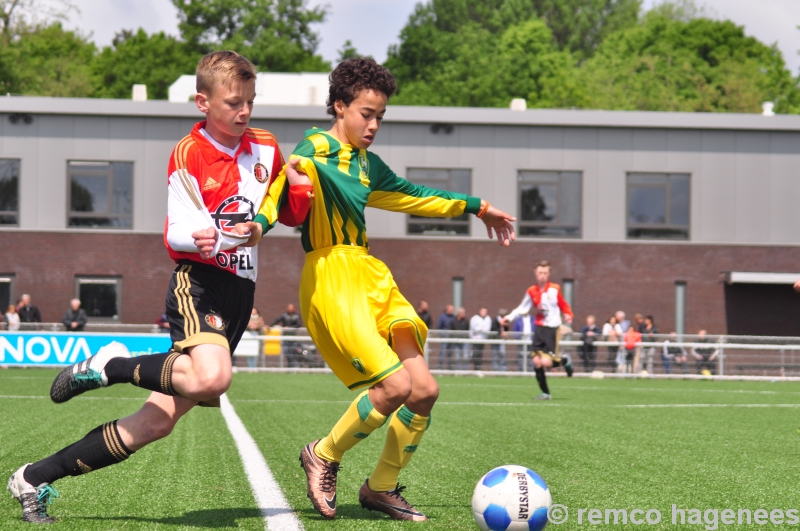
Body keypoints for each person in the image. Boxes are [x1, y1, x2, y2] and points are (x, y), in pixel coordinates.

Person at [7, 51, 312, 524]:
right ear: (202, 102)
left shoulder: (267, 146)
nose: (245, 111)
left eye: (251, 101)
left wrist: (297, 187)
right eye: (234, 102)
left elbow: (288, 214)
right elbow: (173, 233)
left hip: (240, 292)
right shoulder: (188, 153)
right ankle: (112, 363)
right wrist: (198, 237)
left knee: (156, 422)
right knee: (214, 377)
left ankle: (32, 477)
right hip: (200, 283)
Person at [261, 57, 515, 522]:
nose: (374, 124)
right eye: (366, 113)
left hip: (371, 273)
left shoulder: (367, 165)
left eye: (380, 116)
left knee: (423, 390)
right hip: (331, 277)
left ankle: (379, 488)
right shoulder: (314, 146)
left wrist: (479, 207)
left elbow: (415, 195)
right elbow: (282, 185)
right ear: (339, 106)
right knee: (394, 385)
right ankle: (323, 454)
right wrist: (256, 227)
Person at [502, 260, 574, 401]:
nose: (542, 275)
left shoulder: (554, 289)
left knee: (547, 363)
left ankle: (565, 360)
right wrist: (509, 318)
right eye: (540, 273)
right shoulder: (531, 291)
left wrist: (568, 314)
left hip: (552, 328)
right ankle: (545, 393)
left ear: (549, 274)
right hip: (539, 328)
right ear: (535, 273)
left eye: (545, 273)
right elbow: (522, 307)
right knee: (536, 361)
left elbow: (563, 304)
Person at [435, 304, 455, 370]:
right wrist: (442, 335)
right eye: (452, 309)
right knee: (442, 353)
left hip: (451, 338)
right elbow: (439, 327)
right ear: (448, 309)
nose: (453, 311)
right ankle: (440, 367)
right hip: (444, 337)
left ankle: (449, 367)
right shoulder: (442, 317)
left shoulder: (454, 317)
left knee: (450, 353)